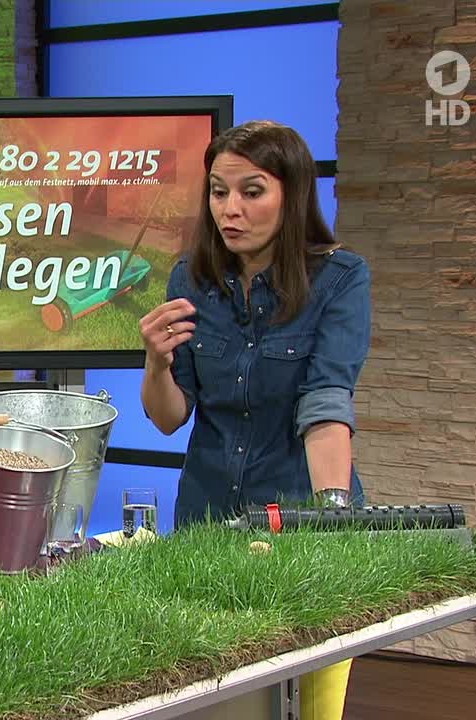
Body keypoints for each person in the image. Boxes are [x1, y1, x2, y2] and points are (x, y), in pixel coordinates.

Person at [138, 119, 370, 719]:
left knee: (307, 706)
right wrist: (156, 363)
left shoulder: (340, 280)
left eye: (252, 191)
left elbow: (326, 404)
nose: (230, 209)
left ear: (292, 194)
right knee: (212, 702)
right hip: (207, 523)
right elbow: (168, 418)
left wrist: (332, 519)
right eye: (219, 192)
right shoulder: (190, 280)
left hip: (298, 520)